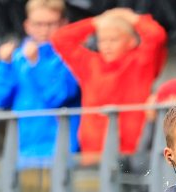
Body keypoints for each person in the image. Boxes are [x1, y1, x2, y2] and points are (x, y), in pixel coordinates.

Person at [51, 7, 167, 161]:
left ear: (131, 42)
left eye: (114, 40)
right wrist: (96, 22)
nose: (106, 45)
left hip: (133, 149)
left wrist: (130, 17)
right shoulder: (89, 63)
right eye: (102, 40)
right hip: (93, 149)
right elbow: (60, 39)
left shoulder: (141, 62)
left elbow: (156, 35)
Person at [0, 0, 81, 167]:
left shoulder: (73, 56)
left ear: (64, 23)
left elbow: (59, 96)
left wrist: (37, 64)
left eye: (51, 24)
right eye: (38, 24)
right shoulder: (18, 58)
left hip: (63, 151)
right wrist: (3, 66)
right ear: (27, 25)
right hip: (23, 151)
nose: (44, 30)